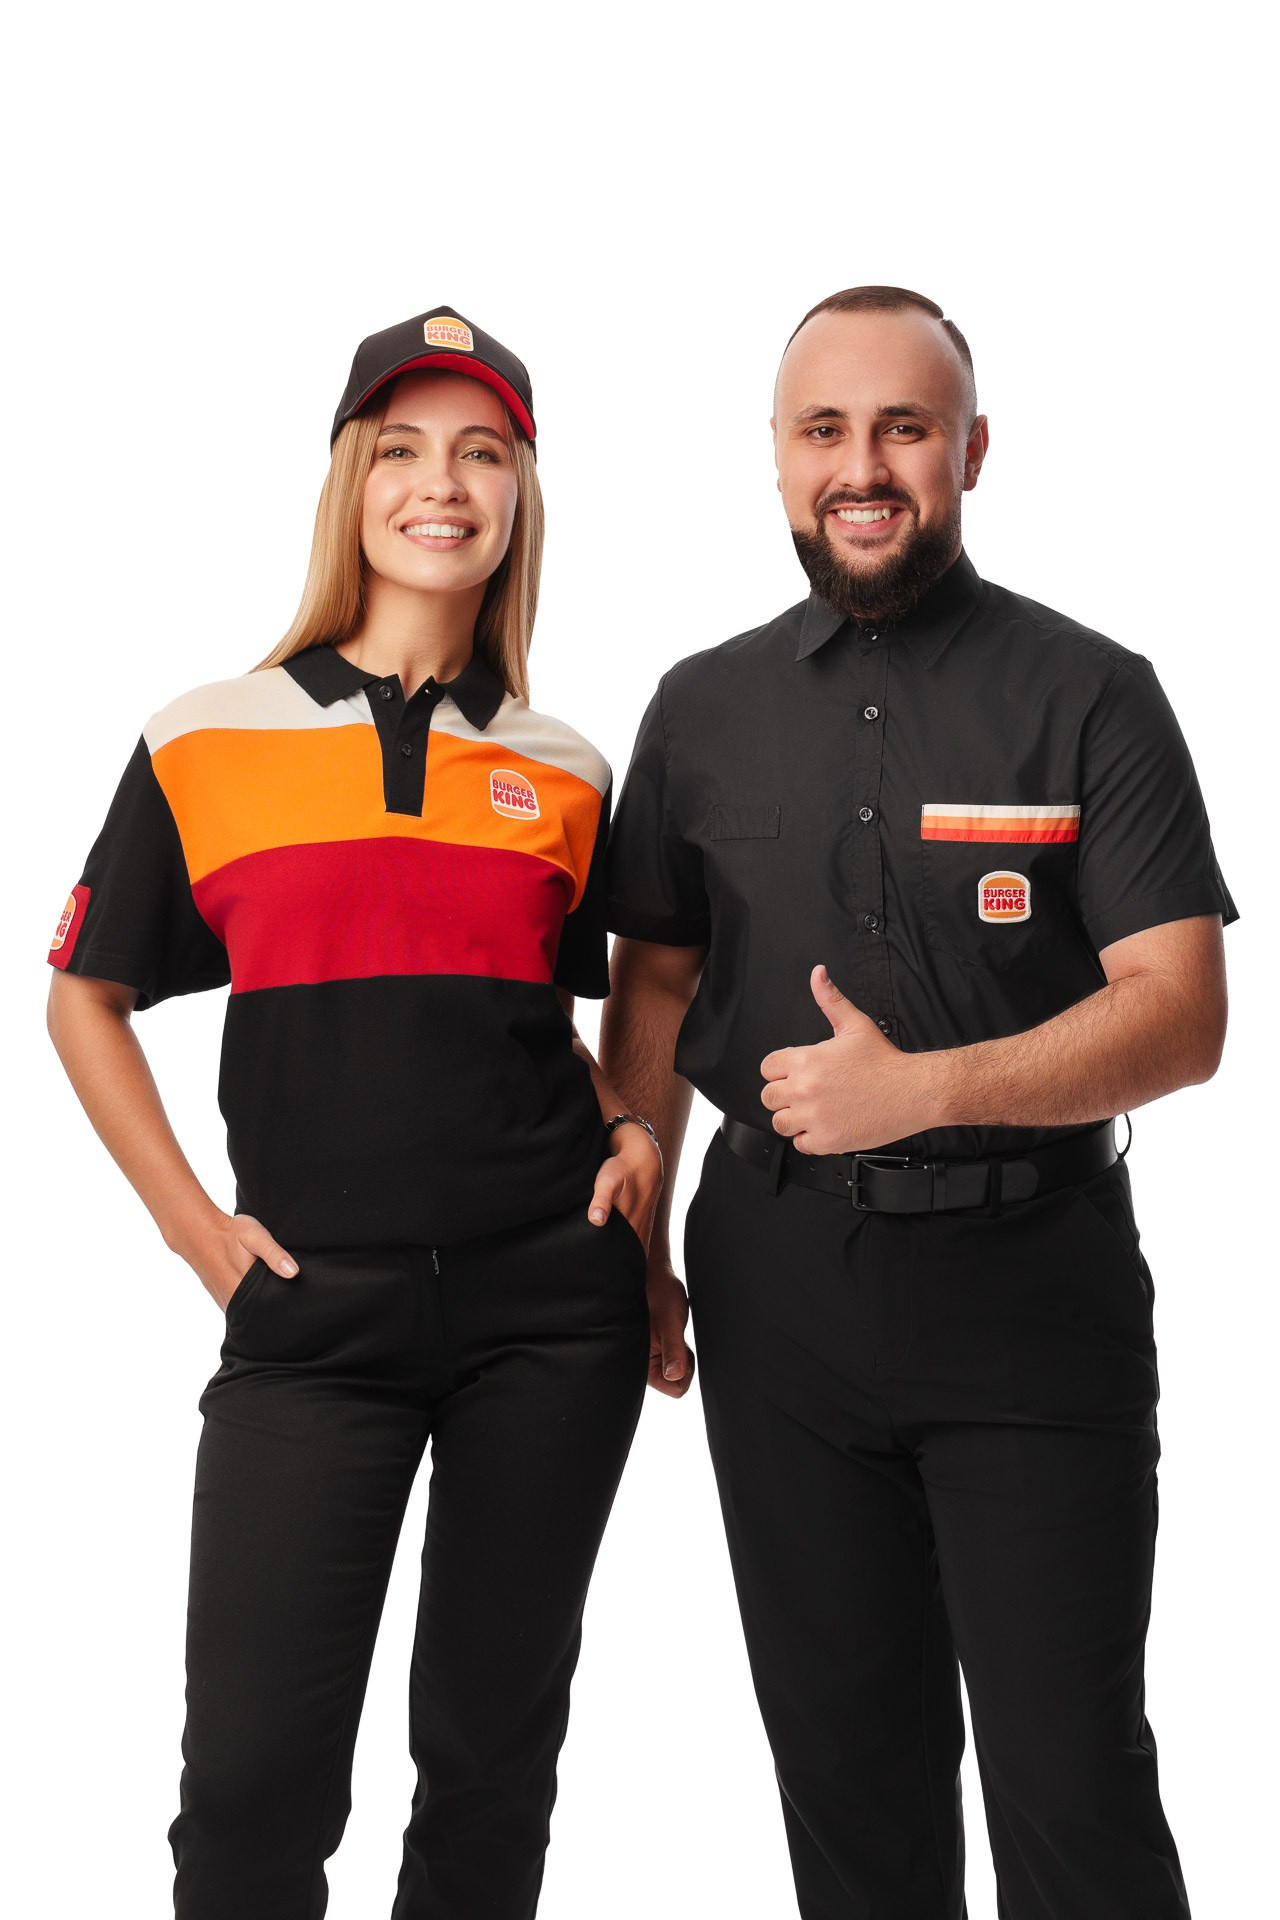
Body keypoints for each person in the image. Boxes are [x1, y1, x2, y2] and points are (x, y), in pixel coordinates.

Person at [601, 285, 1233, 1918]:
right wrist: (647, 1227)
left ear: (970, 449)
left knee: (1072, 1783)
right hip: (783, 1291)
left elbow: (1181, 1017)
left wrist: (920, 1091)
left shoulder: (1094, 692)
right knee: (849, 1783)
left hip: (1035, 1290)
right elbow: (655, 985)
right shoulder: (698, 706)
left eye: (902, 426)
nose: (862, 465)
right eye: (826, 430)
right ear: (778, 458)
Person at [46, 305, 660, 1919]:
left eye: (482, 453)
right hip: (310, 1312)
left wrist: (634, 1136)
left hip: (551, 1309)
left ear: (521, 493)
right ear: (351, 483)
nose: (441, 485)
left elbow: (561, 1018)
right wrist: (202, 1242)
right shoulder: (205, 737)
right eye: (402, 450)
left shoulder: (569, 767)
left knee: (490, 1770)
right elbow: (81, 997)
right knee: (249, 1794)